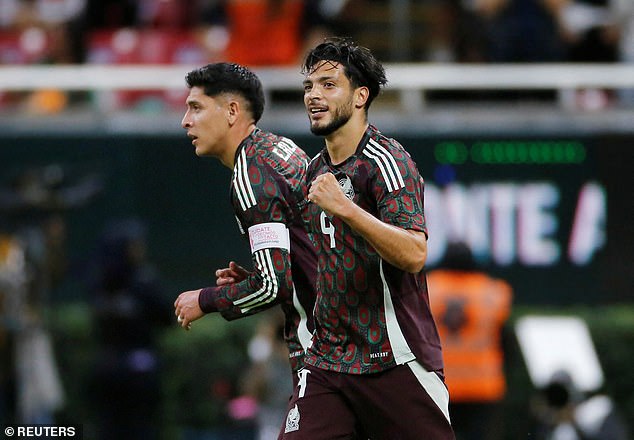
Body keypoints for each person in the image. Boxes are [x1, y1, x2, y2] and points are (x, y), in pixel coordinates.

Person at [281, 37, 455, 439]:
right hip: (329, 362)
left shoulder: (387, 162)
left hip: (393, 358)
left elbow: (414, 253)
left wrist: (347, 208)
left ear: (360, 96)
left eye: (328, 84)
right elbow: (319, 264)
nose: (313, 95)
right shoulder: (313, 172)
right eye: (309, 86)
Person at [172, 62, 318, 426]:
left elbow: (274, 286)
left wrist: (204, 300)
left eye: (196, 107)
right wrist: (258, 273)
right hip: (351, 336)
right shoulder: (278, 148)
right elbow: (307, 251)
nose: (185, 121)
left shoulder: (250, 174)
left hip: (327, 350)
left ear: (232, 111)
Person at [89, 218, 172, 440]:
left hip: (141, 366)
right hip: (114, 370)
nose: (140, 249)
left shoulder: (145, 280)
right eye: (134, 245)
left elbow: (166, 318)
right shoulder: (104, 281)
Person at [427, 241, 513, 440]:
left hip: (439, 385)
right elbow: (505, 342)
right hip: (483, 386)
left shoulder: (428, 288)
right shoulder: (492, 291)